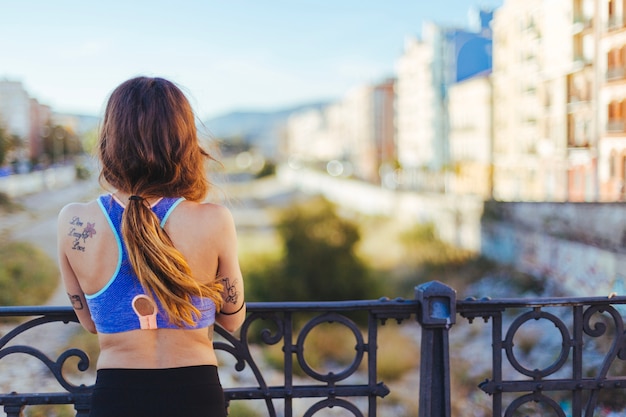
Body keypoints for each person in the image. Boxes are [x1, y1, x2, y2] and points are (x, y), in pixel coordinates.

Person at [57, 76, 246, 417]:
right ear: (184, 141)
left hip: (116, 395)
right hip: (196, 394)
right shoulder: (214, 220)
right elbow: (232, 320)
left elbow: (92, 322)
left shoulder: (74, 221)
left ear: (109, 140)